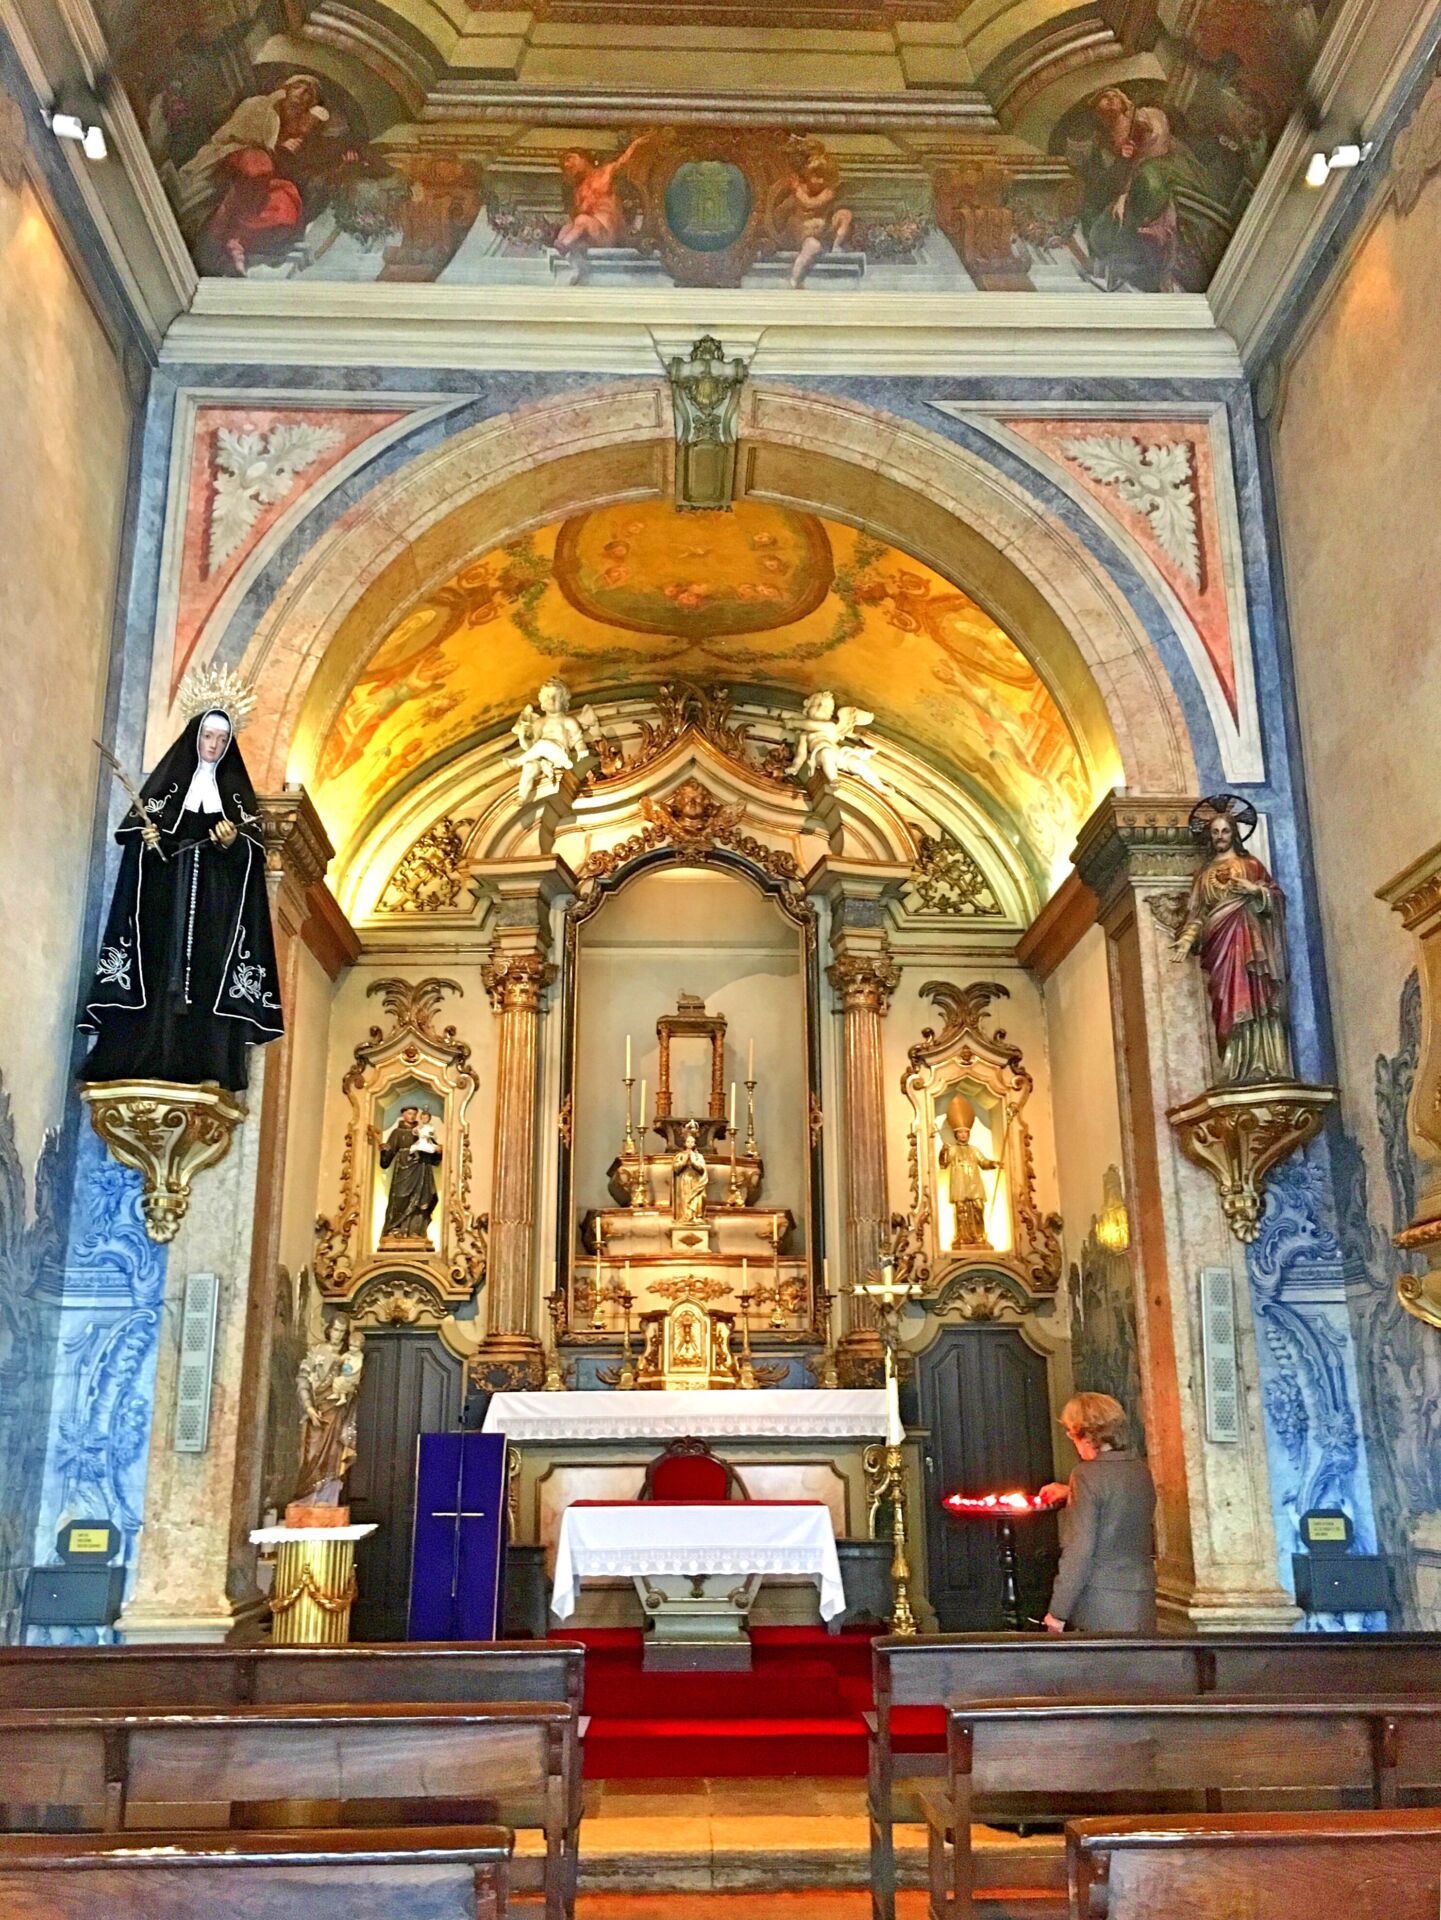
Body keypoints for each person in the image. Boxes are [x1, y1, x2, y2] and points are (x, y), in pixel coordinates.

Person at [80, 705, 283, 1093]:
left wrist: (232, 844)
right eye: (209, 737)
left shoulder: (235, 801)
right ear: (196, 738)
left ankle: (202, 1064)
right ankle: (139, 1058)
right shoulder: (165, 792)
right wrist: (149, 843)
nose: (214, 745)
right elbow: (140, 852)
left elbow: (249, 865)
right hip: (162, 912)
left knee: (207, 983)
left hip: (213, 917)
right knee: (154, 972)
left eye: (222, 740)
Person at [1171, 796, 1292, 1085]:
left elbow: (1276, 900)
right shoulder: (1203, 876)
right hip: (1220, 947)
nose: (1220, 837)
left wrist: (1254, 890)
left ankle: (1264, 1063)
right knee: (1225, 1003)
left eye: (1225, 831)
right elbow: (1197, 914)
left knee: (1256, 997)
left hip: (1251, 941)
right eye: (1215, 832)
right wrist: (1187, 940)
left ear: (1234, 833)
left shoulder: (1251, 866)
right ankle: (1234, 1067)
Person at [1039, 1392, 1156, 1633]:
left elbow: (1079, 1551)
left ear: (1084, 1435)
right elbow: (1117, 1502)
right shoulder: (1140, 1470)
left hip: (1102, 1604)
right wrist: (1070, 1492)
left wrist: (1057, 1613)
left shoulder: (1085, 1475)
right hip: (1142, 1598)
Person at [374, 1104, 442, 1242]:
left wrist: (438, 1151)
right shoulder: (397, 1133)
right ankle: (395, 1229)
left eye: (414, 1114)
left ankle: (416, 1231)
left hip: (421, 1167)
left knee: (421, 1199)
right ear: (403, 1114)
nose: (412, 1116)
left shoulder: (421, 1130)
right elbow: (387, 1159)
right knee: (400, 1198)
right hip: (404, 1168)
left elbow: (433, 1149)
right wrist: (384, 1151)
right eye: (409, 1113)